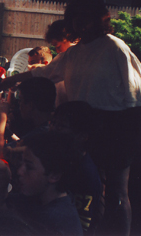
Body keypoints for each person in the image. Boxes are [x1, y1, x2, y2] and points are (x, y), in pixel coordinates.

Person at [0, 0, 141, 235]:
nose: (81, 24)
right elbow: (43, 74)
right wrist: (7, 82)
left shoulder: (115, 46)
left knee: (117, 192)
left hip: (116, 127)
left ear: (98, 20)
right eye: (76, 19)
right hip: (80, 127)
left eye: (87, 19)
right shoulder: (73, 54)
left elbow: (140, 94)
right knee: (84, 187)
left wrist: (140, 132)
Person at [0, 131, 83, 236]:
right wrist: (4, 179)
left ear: (54, 176)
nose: (19, 171)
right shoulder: (36, 196)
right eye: (22, 163)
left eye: (29, 167)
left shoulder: (55, 223)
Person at [50, 101, 104, 235]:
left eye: (61, 126)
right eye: (53, 123)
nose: (53, 129)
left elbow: (80, 226)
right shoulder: (60, 156)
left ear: (82, 137)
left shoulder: (86, 175)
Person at [0, 77, 55, 158]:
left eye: (20, 100)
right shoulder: (46, 127)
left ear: (30, 106)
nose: (19, 105)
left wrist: (2, 114)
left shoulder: (41, 136)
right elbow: (23, 143)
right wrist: (11, 135)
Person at [44, 19, 76, 106]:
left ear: (68, 39)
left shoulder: (70, 55)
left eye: (58, 46)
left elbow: (45, 73)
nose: (57, 51)